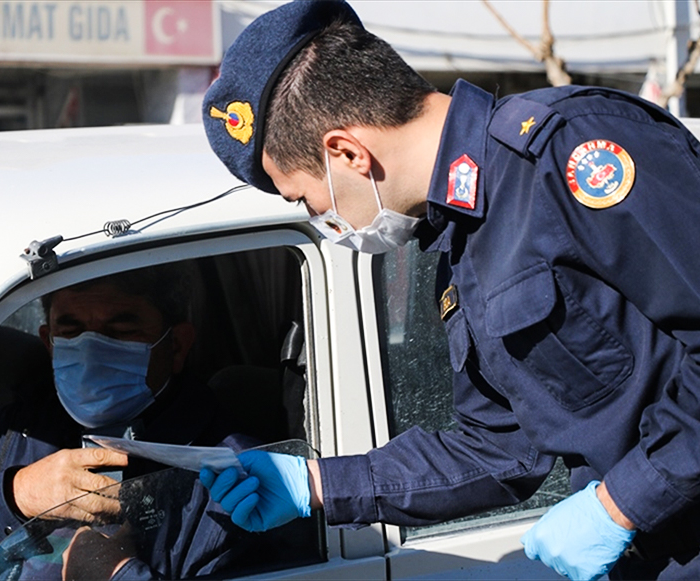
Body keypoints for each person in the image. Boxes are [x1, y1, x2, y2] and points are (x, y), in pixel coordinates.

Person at [199, 1, 700, 580]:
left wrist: (620, 505)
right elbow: (504, 447)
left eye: (305, 200)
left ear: (347, 153)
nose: (323, 221)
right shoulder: (460, 242)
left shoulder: (570, 150)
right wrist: (317, 485)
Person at [0, 265, 255, 580]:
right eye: (70, 332)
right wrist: (16, 494)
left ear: (177, 345)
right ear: (49, 342)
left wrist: (115, 574)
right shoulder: (30, 425)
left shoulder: (227, 471)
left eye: (121, 332)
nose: (89, 351)